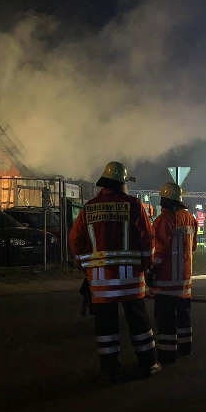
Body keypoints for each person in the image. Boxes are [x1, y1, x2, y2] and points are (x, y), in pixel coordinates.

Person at [69, 161, 160, 380]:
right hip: (131, 279)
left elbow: (75, 240)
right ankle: (148, 363)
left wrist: (85, 267)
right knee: (139, 323)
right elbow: (147, 239)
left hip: (100, 281)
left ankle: (110, 367)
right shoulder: (133, 205)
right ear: (121, 183)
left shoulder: (90, 207)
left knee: (105, 326)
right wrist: (147, 266)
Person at [150, 182, 198, 364]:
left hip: (166, 281)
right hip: (184, 281)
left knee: (166, 320)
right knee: (184, 316)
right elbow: (193, 247)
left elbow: (158, 250)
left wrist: (151, 271)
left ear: (166, 200)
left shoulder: (164, 220)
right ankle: (186, 347)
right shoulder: (190, 218)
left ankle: (167, 353)